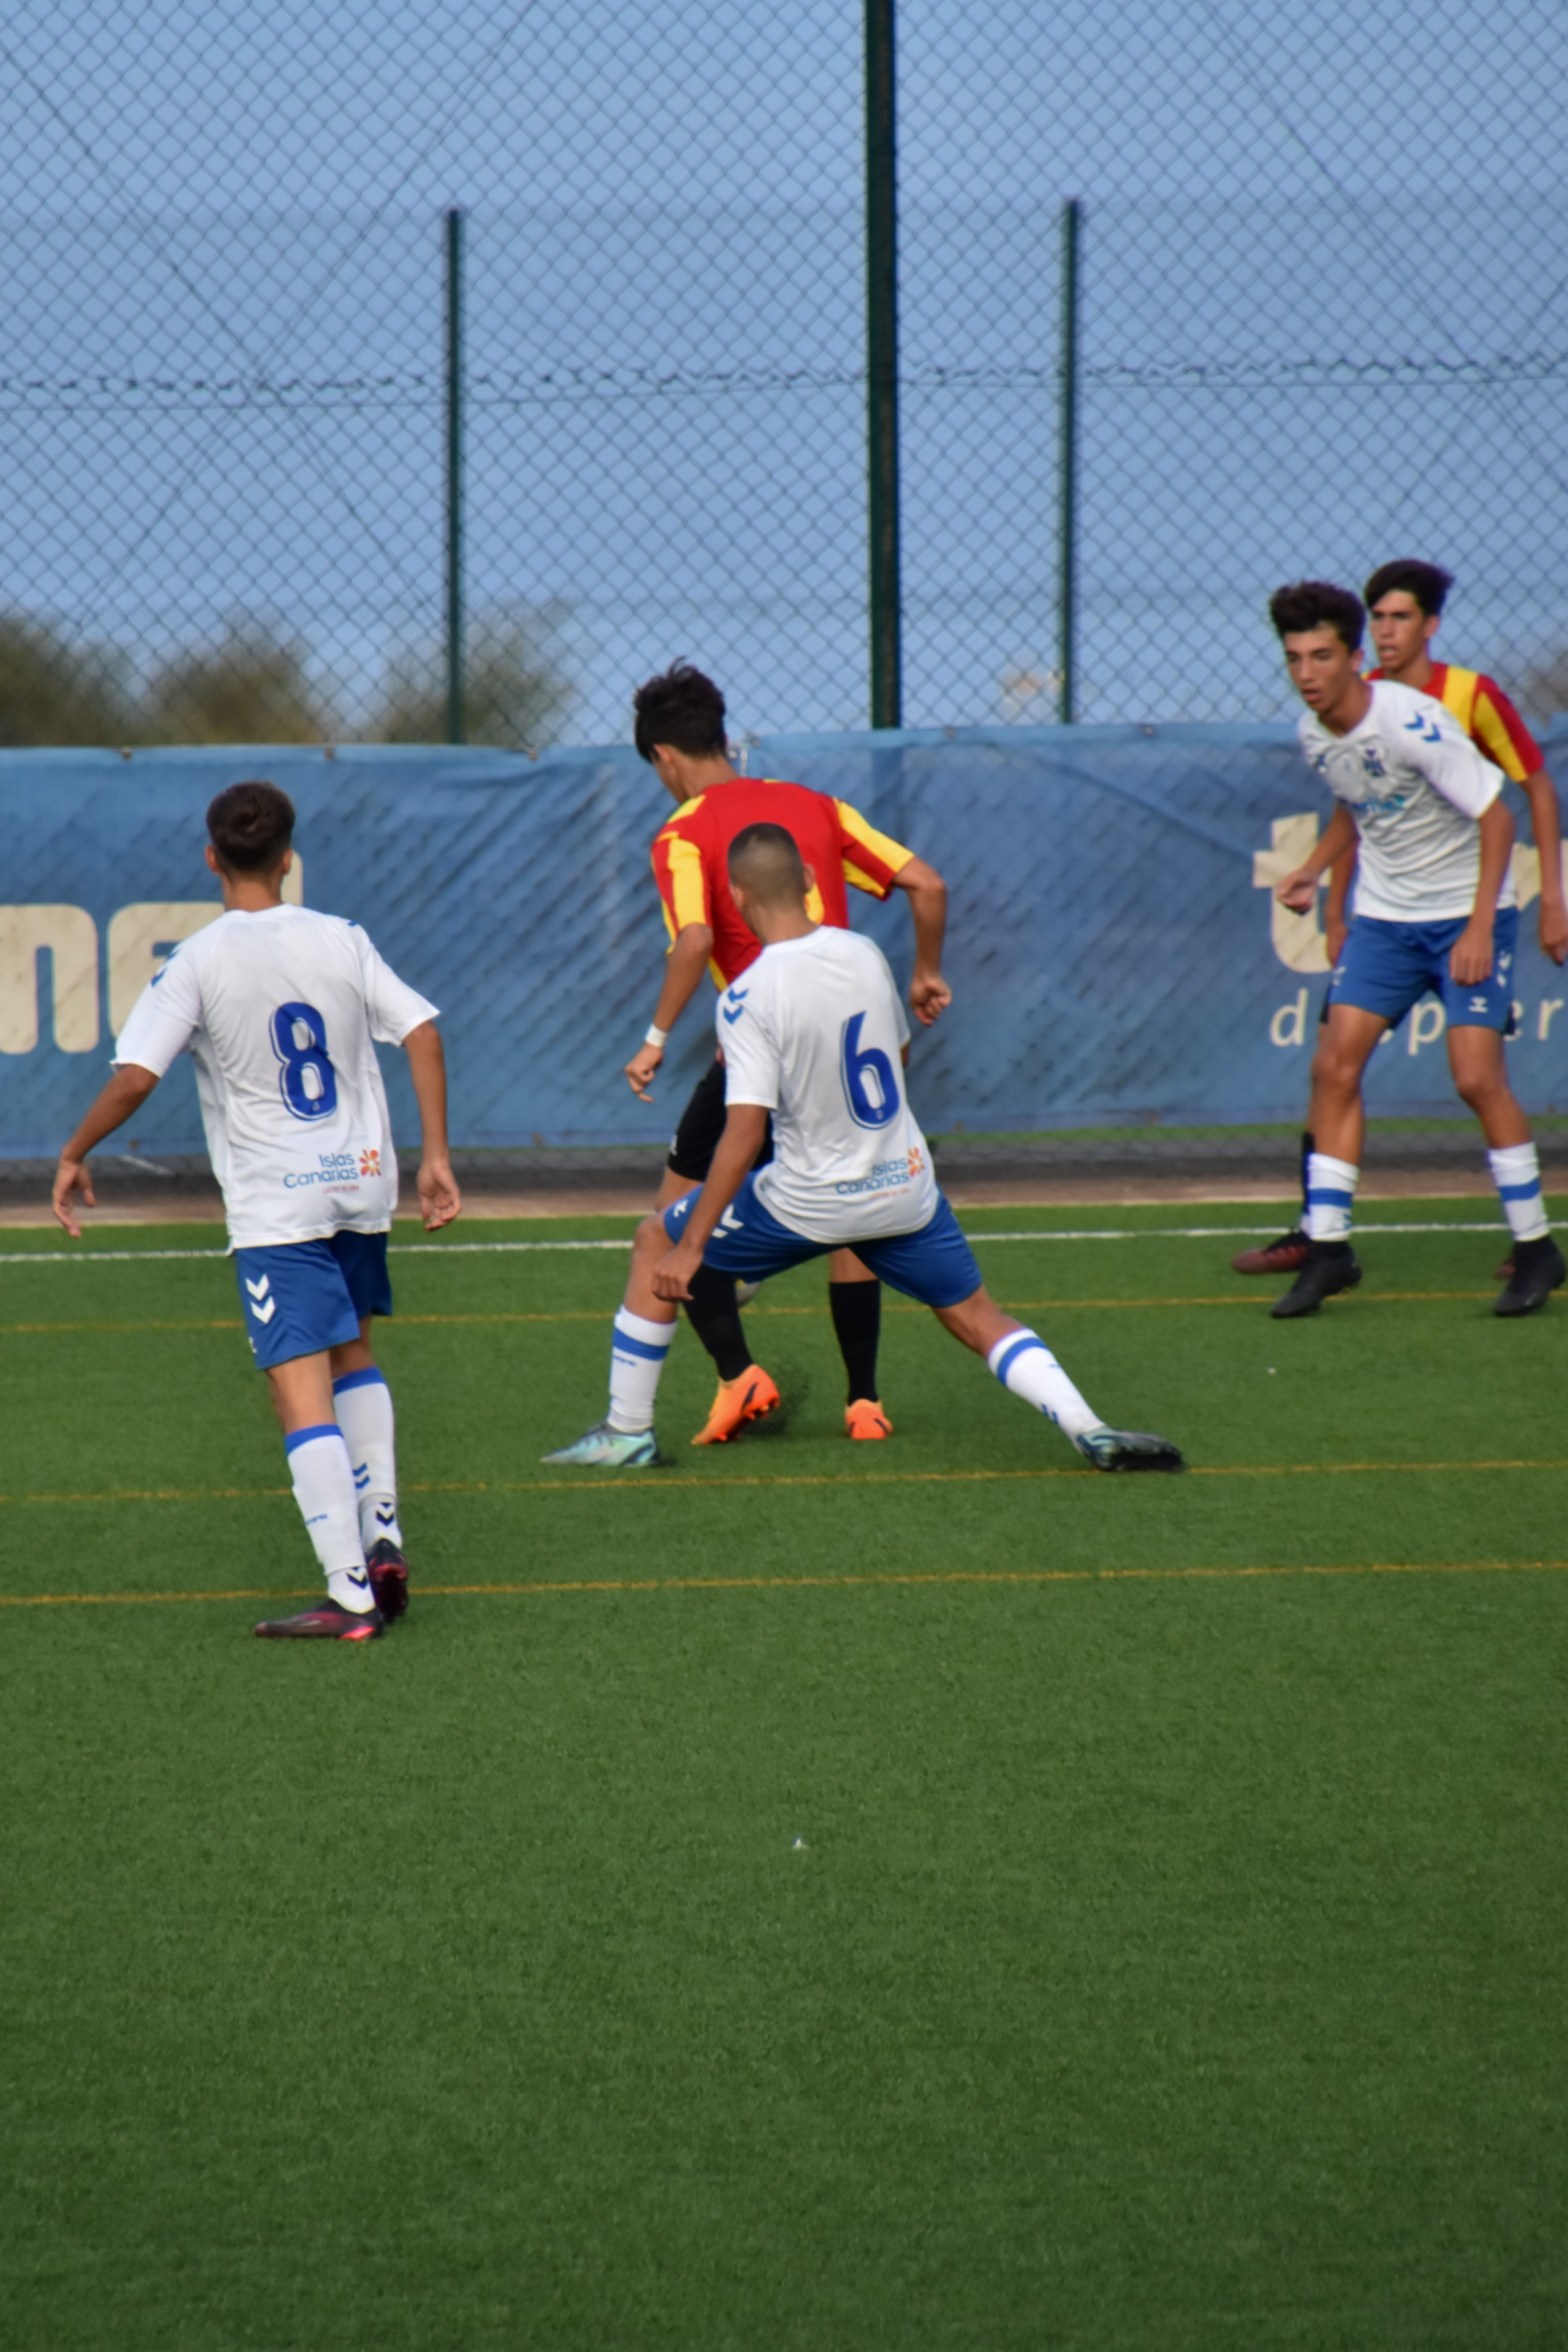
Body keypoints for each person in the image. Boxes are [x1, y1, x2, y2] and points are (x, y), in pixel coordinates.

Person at [547, 823, 1183, 1473]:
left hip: (808, 1200)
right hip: (904, 1187)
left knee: (656, 1236)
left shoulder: (746, 997)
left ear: (736, 897)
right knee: (975, 1315)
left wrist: (691, 1248)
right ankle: (1090, 1427)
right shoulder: (865, 953)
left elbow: (744, 1132)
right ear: (809, 881)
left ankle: (627, 1432)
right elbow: (897, 1056)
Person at [51, 780, 461, 1639]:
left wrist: (74, 1150)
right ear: (288, 859)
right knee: (353, 1356)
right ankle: (381, 1532)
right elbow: (423, 1031)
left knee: (296, 1390)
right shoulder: (342, 937)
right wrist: (435, 1160)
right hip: (360, 1181)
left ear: (212, 857)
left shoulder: (197, 960)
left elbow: (135, 1077)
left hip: (280, 1203)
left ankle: (351, 1595)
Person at [620, 662, 951, 1446]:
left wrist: (654, 1038)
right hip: (845, 1046)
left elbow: (695, 938)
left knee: (665, 1230)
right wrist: (926, 973)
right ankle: (863, 1403)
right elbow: (928, 885)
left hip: (755, 1055)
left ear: (664, 756)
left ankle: (720, 1380)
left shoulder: (682, 832)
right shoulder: (816, 806)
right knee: (856, 1213)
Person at [1235, 558, 1566, 1278]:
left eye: (1401, 617)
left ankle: (1534, 1245)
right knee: (1331, 1065)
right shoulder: (1333, 716)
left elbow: (1524, 793)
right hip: (1386, 917)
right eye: (1379, 616)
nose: (1388, 631)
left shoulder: (1457, 700)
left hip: (1464, 910)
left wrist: (1548, 899)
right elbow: (1359, 802)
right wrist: (1328, 896)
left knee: (1475, 1078)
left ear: (1429, 625)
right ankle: (1322, 1238)